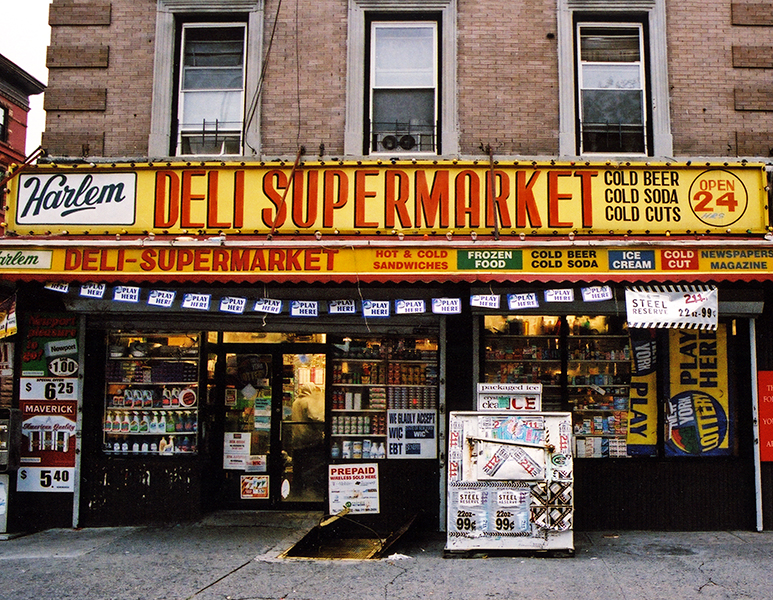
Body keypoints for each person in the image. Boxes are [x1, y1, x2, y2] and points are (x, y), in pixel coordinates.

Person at [290, 383, 326, 499]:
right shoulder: (307, 401)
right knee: (313, 465)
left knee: (298, 467)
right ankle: (313, 489)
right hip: (309, 439)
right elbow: (314, 417)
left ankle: (297, 491)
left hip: (297, 439)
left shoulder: (296, 402)